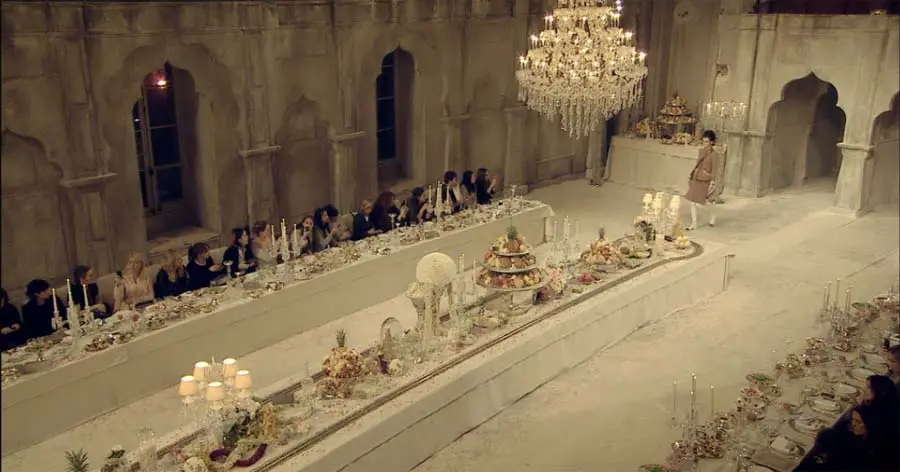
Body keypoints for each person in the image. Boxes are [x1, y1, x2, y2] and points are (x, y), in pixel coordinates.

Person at [685, 129, 719, 230]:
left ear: (711, 142)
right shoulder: (701, 151)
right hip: (697, 178)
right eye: (703, 141)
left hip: (705, 180)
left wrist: (712, 181)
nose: (705, 144)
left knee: (703, 202)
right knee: (692, 201)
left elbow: (714, 168)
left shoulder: (714, 154)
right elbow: (698, 164)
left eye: (707, 141)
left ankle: (712, 214)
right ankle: (694, 223)